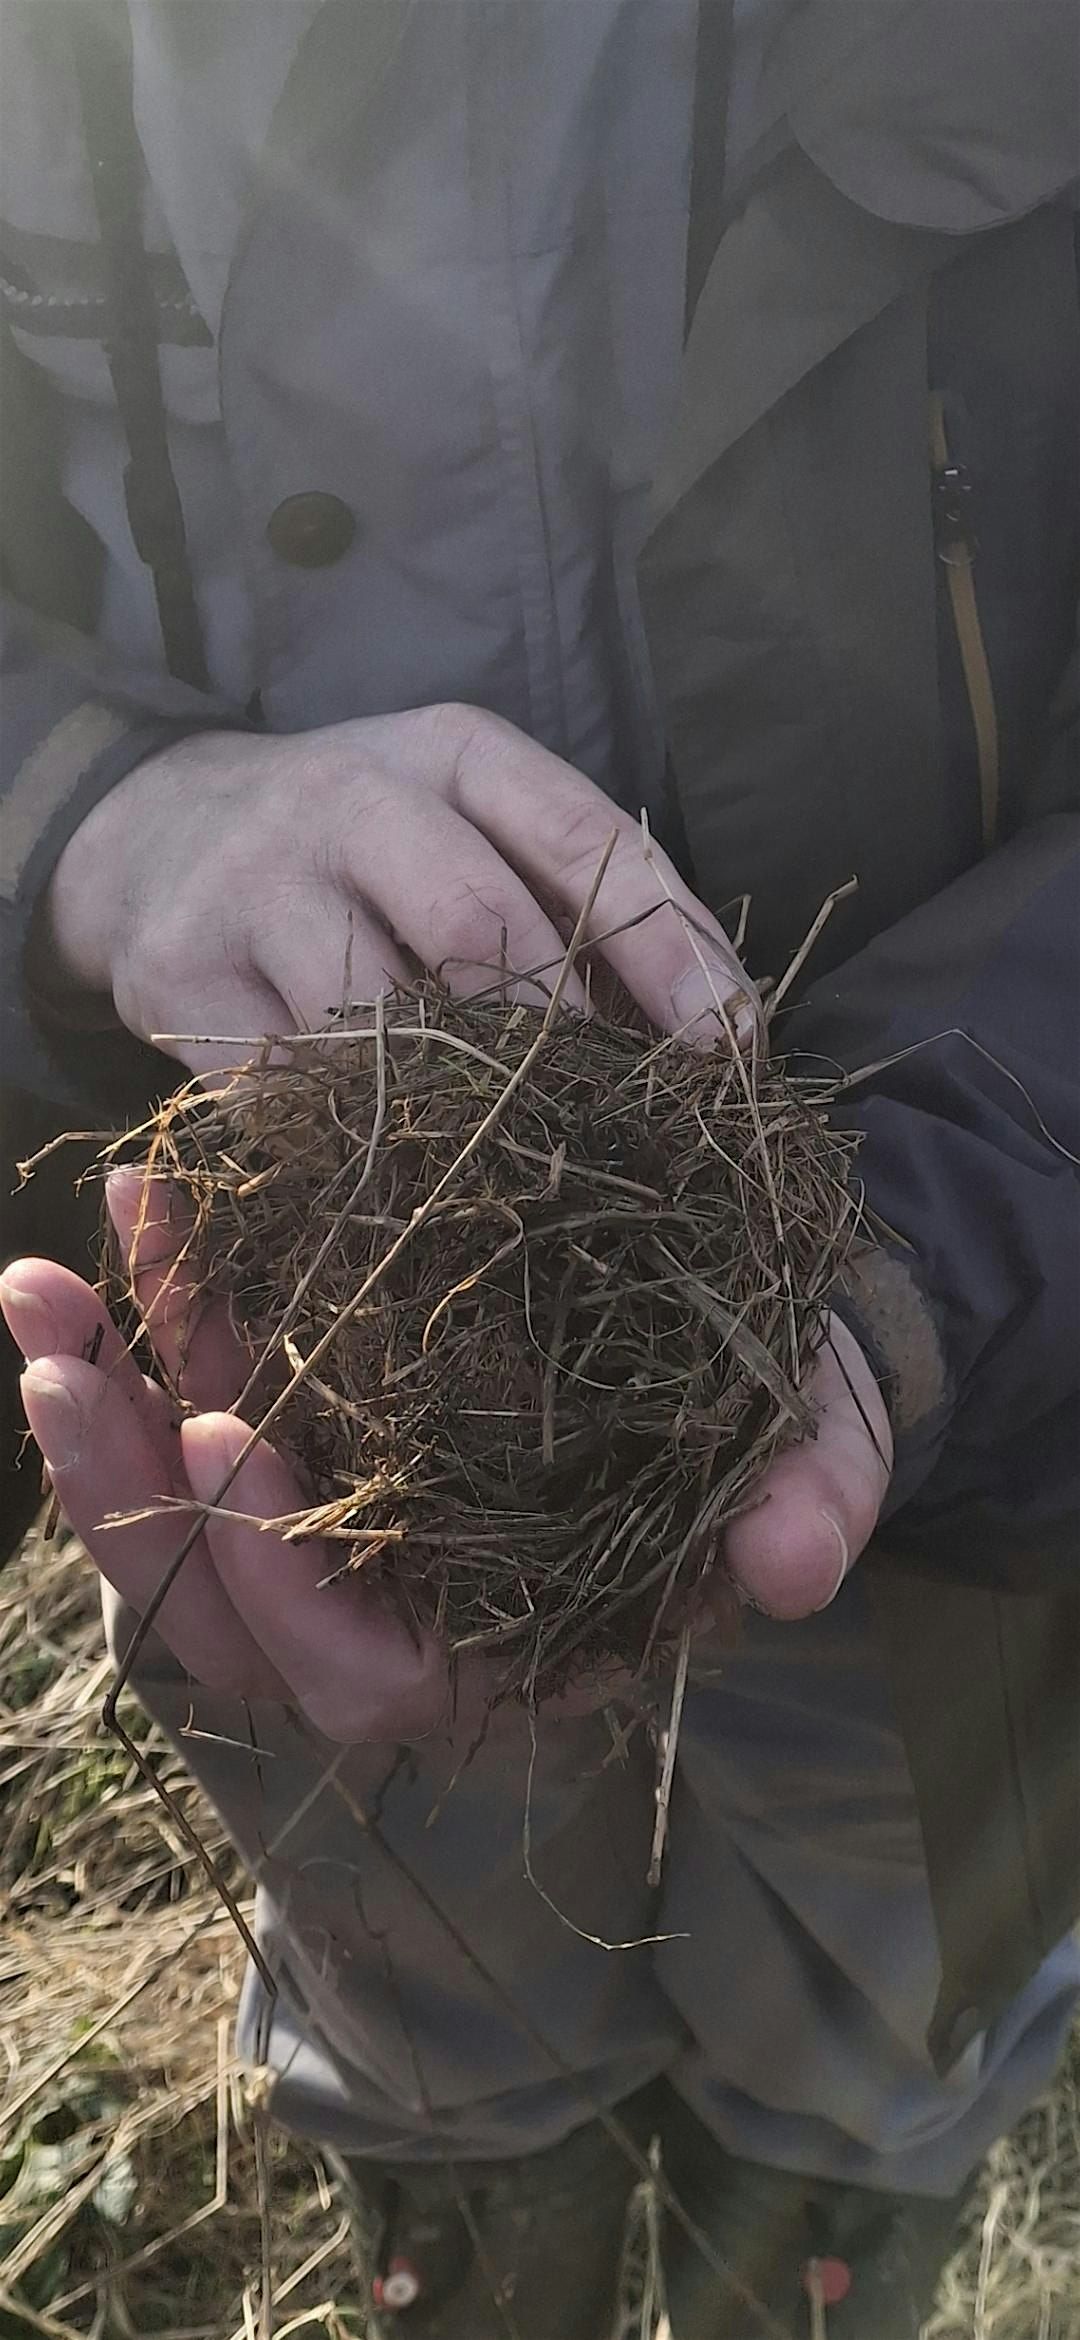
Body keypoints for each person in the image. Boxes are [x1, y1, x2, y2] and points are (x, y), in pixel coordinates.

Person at [1, 3, 1078, 2332]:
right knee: (428, 1961)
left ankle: (829, 2236)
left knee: (884, 1985)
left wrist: (931, 1250)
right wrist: (80, 797)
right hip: (273, 1410)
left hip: (974, 1425)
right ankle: (475, 2222)